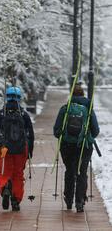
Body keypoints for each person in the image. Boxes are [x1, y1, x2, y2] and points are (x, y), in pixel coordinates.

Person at [53, 84, 99, 212]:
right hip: (84, 146)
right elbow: (96, 130)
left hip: (67, 146)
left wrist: (65, 137)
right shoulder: (88, 110)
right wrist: (86, 136)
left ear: (71, 95)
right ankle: (80, 202)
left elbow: (56, 131)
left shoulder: (65, 109)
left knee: (70, 171)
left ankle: (68, 199)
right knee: (81, 173)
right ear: (83, 94)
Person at [0, 86, 34, 211]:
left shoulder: (0, 114)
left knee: (5, 172)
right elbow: (30, 134)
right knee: (18, 174)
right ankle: (15, 200)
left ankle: (5, 188)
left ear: (7, 97)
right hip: (21, 149)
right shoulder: (24, 114)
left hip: (4, 149)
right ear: (19, 99)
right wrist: (30, 151)